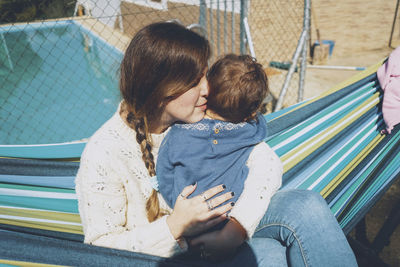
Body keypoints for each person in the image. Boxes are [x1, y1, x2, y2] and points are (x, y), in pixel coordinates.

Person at [75, 21, 358, 266]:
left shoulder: (197, 117)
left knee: (306, 205)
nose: (208, 89)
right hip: (171, 259)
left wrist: (235, 230)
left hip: (222, 233)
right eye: (195, 81)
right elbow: (99, 250)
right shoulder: (104, 153)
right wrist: (175, 226)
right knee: (273, 255)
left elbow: (265, 162)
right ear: (162, 90)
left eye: (205, 75)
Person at [156, 54, 280, 237]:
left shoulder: (178, 133)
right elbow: (260, 126)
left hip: (190, 225)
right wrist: (251, 115)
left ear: (208, 90)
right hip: (229, 221)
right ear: (249, 114)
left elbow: (164, 173)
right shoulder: (248, 133)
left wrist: (175, 202)